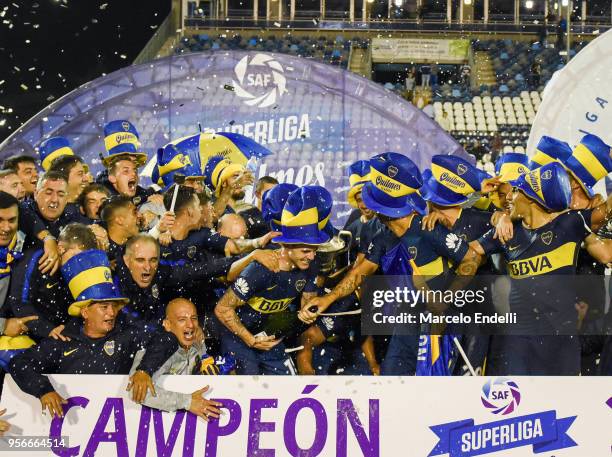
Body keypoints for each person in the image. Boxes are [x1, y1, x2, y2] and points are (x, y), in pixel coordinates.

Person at [302, 153, 474, 375]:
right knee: (392, 377)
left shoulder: (429, 229)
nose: (366, 204)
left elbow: (471, 258)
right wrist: (327, 299)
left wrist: (448, 297)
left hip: (440, 320)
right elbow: (359, 273)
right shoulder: (382, 235)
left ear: (386, 210)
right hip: (407, 316)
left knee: (431, 387)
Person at [456, 162, 612, 375]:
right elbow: (467, 252)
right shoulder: (506, 232)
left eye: (517, 191)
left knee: (563, 406)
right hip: (519, 342)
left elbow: (605, 217)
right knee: (519, 406)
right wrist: (475, 202)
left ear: (532, 198)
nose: (509, 197)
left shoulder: (570, 223)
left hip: (561, 341)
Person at [7, 249, 179, 418]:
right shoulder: (63, 341)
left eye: (114, 306)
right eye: (104, 307)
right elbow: (19, 364)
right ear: (85, 312)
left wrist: (144, 371)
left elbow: (167, 338)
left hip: (121, 430)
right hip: (72, 432)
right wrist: (43, 390)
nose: (111, 313)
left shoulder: (126, 335)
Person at [214, 186, 327, 375]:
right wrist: (250, 339)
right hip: (239, 337)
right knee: (248, 387)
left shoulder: (310, 266)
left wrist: (306, 315)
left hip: (271, 338)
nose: (311, 257)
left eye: (314, 250)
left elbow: (305, 307)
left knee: (288, 387)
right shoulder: (262, 268)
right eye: (306, 251)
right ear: (286, 246)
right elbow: (222, 308)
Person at [117, 233, 277, 325]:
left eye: (153, 260)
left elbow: (200, 270)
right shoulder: (112, 283)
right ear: (126, 260)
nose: (148, 267)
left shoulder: (160, 273)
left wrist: (249, 257)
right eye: (140, 260)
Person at [127, 298, 223, 420]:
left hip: (188, 424)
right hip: (152, 425)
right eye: (182, 320)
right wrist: (187, 402)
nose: (190, 325)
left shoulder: (198, 344)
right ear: (167, 324)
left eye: (194, 318)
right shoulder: (152, 352)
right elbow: (137, 392)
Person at [6, 223, 98, 340]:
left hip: (61, 333)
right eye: (76, 257)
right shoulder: (35, 260)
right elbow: (19, 302)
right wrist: (48, 330)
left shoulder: (84, 270)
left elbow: (83, 306)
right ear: (60, 248)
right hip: (23, 332)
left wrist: (67, 328)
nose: (79, 265)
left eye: (85, 259)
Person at [100, 196, 142, 262]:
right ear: (119, 220)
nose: (140, 215)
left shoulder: (136, 242)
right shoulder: (102, 253)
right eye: (134, 212)